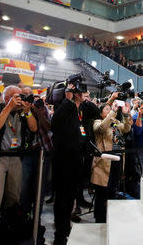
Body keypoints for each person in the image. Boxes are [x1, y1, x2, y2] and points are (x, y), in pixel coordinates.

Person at [0, 85, 37, 244]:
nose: (19, 100)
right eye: (15, 97)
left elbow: (34, 128)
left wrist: (28, 111)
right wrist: (9, 107)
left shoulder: (21, 112)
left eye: (20, 97)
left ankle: (6, 235)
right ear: (6, 97)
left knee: (13, 200)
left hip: (16, 158)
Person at [51, 84, 100, 245]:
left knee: (71, 197)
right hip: (64, 160)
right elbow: (55, 123)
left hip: (78, 158)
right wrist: (68, 98)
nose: (83, 95)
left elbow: (96, 112)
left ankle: (65, 228)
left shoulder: (82, 109)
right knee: (62, 199)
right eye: (81, 92)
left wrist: (84, 100)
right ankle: (60, 233)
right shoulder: (64, 107)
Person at [92, 97, 132, 223]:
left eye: (112, 109)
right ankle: (100, 219)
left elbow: (126, 129)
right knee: (102, 192)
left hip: (117, 161)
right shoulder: (97, 122)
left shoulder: (115, 122)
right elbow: (101, 128)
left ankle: (110, 217)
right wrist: (113, 112)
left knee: (113, 190)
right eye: (107, 109)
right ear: (101, 113)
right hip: (103, 163)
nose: (111, 110)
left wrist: (125, 114)